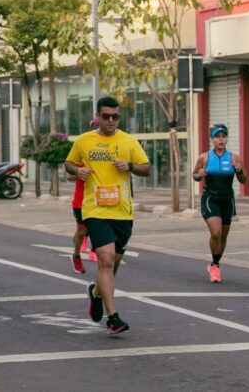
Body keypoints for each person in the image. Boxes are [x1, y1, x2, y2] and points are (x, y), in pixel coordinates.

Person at [65, 96, 151, 335]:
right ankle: (113, 318)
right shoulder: (84, 141)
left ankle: (96, 293)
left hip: (123, 211)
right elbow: (69, 164)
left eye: (115, 117)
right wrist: (79, 170)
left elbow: (146, 167)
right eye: (106, 117)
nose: (111, 121)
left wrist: (131, 167)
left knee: (112, 267)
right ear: (98, 117)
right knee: (105, 259)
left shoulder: (128, 141)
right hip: (94, 209)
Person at [192, 123, 247, 283]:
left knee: (223, 236)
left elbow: (244, 180)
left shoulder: (233, 157)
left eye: (223, 136)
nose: (221, 139)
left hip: (227, 199)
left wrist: (240, 171)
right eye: (217, 137)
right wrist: (199, 174)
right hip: (210, 198)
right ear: (212, 139)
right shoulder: (204, 157)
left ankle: (214, 263)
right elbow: (195, 175)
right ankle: (215, 267)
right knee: (216, 233)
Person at [69, 118, 100, 274]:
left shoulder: (106, 150)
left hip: (101, 198)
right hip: (81, 200)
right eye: (93, 127)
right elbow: (68, 175)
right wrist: (80, 172)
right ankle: (76, 254)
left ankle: (96, 251)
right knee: (82, 230)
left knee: (99, 229)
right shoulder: (81, 147)